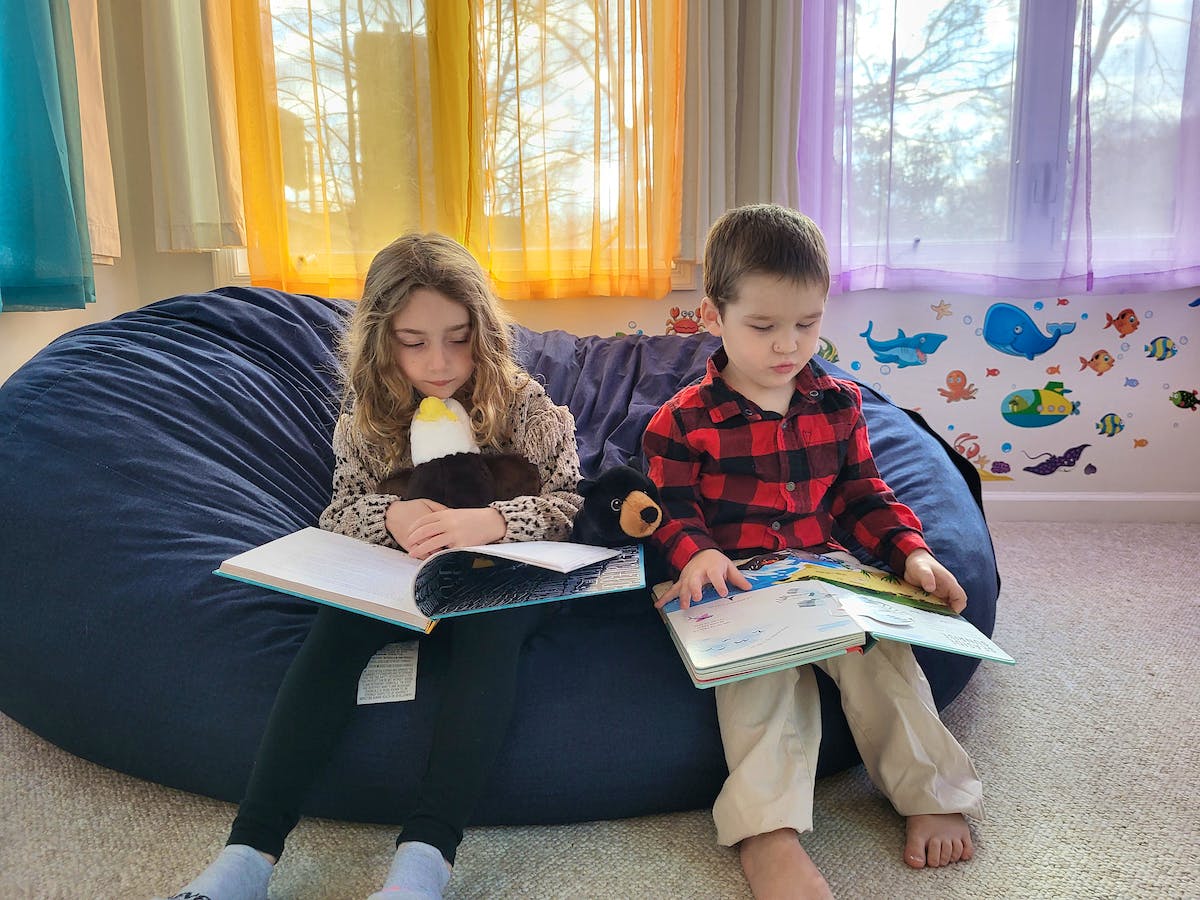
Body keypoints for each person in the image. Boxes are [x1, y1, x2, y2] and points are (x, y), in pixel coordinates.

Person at [168, 233, 583, 900]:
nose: (440, 362)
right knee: (336, 628)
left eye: (457, 337)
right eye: (414, 341)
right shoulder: (366, 417)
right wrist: (389, 518)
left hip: (504, 578)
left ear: (483, 328)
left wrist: (495, 521)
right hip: (404, 580)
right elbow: (342, 509)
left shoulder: (524, 404)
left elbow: (571, 504)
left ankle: (423, 862)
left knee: (491, 628)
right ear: (381, 340)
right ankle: (248, 854)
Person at [642, 204, 984, 899]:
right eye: (763, 327)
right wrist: (695, 554)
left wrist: (911, 553)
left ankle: (931, 792)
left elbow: (864, 494)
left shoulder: (840, 404)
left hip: (823, 572)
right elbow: (666, 510)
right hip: (734, 585)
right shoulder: (681, 420)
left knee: (886, 665)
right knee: (763, 686)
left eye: (807, 324)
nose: (787, 346)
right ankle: (767, 833)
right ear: (713, 317)